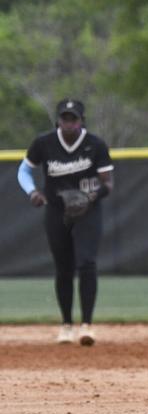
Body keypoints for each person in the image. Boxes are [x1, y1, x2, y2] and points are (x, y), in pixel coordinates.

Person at [17, 99, 114, 346]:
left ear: (82, 121)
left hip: (87, 211)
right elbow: (23, 171)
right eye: (65, 118)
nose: (69, 123)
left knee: (87, 263)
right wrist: (32, 192)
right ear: (58, 121)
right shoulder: (44, 143)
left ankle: (87, 326)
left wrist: (90, 197)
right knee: (63, 267)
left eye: (73, 119)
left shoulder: (95, 144)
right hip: (57, 211)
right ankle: (66, 325)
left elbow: (108, 184)